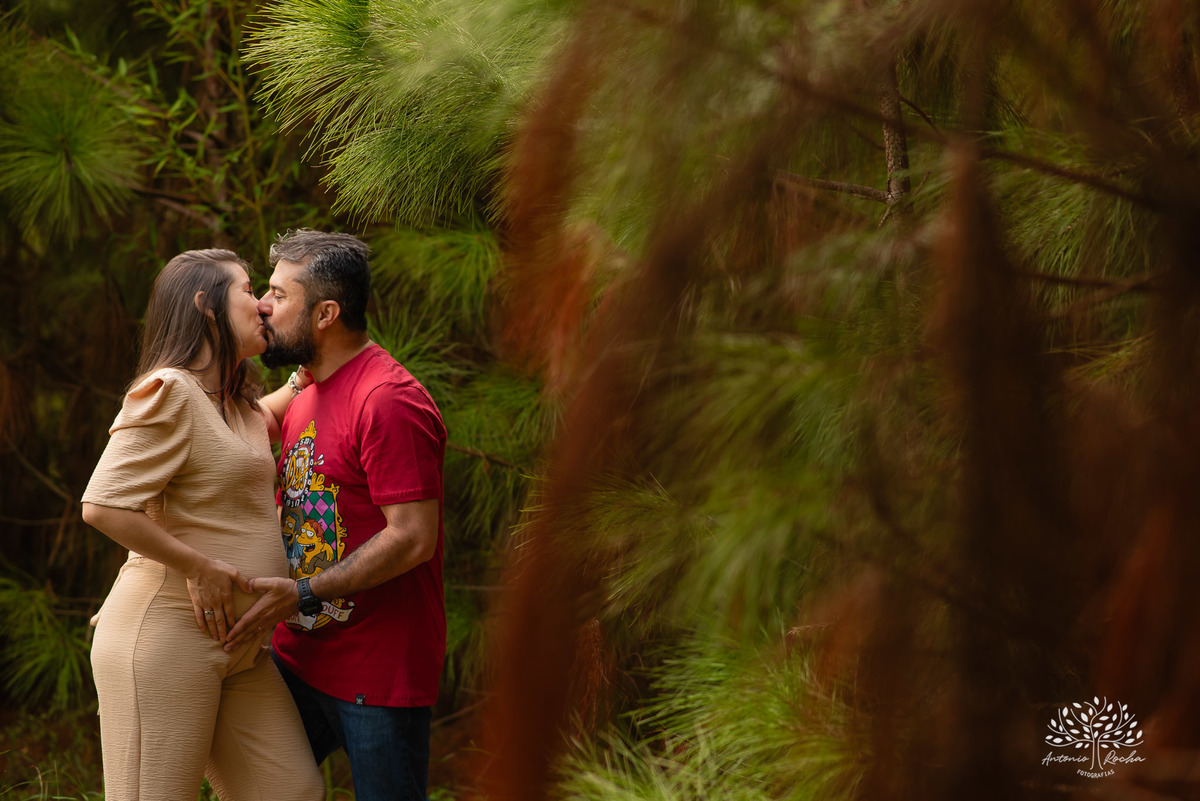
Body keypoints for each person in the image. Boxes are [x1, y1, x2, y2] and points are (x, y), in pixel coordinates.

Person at [80, 249, 324, 801]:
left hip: (242, 647)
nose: (263, 306)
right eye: (246, 290)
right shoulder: (170, 391)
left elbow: (268, 415)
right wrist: (198, 566)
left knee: (293, 792)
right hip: (167, 640)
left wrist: (318, 360)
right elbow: (103, 505)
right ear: (204, 305)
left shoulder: (236, 404)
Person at [223, 230, 447, 801]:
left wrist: (301, 593)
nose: (263, 306)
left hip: (376, 673)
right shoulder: (309, 385)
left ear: (325, 313)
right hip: (299, 658)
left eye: (278, 294)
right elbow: (231, 440)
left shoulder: (387, 400)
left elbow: (414, 538)